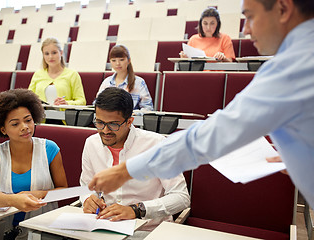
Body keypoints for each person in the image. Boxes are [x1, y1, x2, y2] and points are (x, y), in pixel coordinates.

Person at [88, 0, 314, 209]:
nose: (245, 30)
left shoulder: (294, 67)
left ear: (283, 9)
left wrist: (126, 171)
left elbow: (214, 135)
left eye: (251, 16)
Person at [80, 87, 189, 237]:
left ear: (130, 121)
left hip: (149, 230)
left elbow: (181, 197)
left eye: (113, 124)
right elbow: (86, 187)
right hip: (105, 227)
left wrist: (137, 210)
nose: (105, 131)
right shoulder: (91, 143)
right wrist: (88, 199)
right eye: (99, 122)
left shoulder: (157, 145)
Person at [0, 89, 68, 239]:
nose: (25, 127)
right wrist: (14, 200)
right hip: (0, 228)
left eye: (28, 120)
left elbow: (63, 189)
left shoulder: (50, 149)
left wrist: (38, 194)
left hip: (41, 229)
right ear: (3, 129)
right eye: (15, 124)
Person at [28, 37, 86, 124]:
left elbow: (82, 101)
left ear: (61, 53)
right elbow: (28, 98)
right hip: (40, 121)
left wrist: (67, 103)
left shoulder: (72, 74)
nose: (50, 57)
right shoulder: (37, 74)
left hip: (65, 120)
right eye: (46, 54)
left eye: (54, 53)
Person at [95, 45, 154, 113]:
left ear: (129, 60)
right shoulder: (106, 82)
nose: (117, 63)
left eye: (121, 60)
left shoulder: (139, 82)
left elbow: (148, 108)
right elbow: (97, 104)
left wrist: (135, 113)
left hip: (131, 120)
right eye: (113, 60)